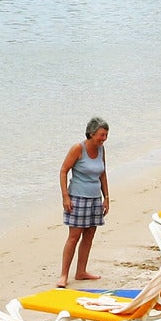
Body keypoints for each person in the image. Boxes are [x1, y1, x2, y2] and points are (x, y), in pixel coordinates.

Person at [58, 117, 110, 287]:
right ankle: (63, 275)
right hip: (78, 198)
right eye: (101, 135)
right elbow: (64, 171)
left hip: (95, 198)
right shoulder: (78, 149)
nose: (103, 139)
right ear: (91, 133)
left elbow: (102, 174)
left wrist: (106, 198)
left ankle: (81, 271)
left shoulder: (101, 150)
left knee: (89, 236)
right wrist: (65, 196)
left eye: (106, 135)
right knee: (74, 236)